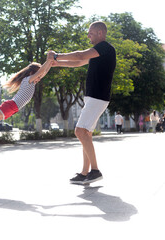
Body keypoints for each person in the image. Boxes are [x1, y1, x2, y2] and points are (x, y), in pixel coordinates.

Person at [42, 21, 116, 184]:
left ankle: (95, 170)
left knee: (80, 131)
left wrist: (57, 55)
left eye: (91, 32)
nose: (88, 35)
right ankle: (84, 173)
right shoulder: (97, 53)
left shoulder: (105, 48)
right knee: (86, 134)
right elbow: (78, 62)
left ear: (100, 33)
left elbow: (80, 55)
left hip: (98, 97)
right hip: (93, 97)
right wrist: (57, 63)